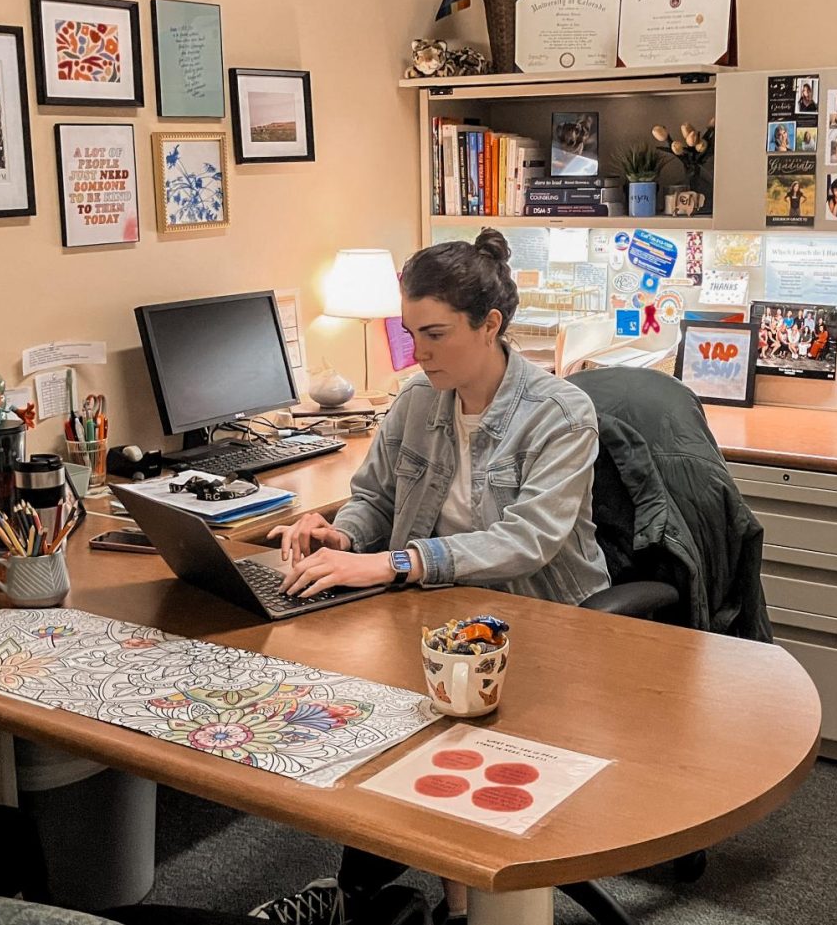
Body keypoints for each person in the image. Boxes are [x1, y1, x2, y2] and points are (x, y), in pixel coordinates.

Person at [252, 229, 609, 924]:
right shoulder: (417, 401)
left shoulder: (561, 413)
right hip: (438, 609)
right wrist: (344, 531)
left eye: (436, 334)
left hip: (545, 620)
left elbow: (528, 539)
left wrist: (392, 561)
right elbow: (376, 495)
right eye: (411, 333)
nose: (419, 353)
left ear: (491, 324)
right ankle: (372, 897)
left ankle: (382, 897)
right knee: (370, 710)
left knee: (426, 718)